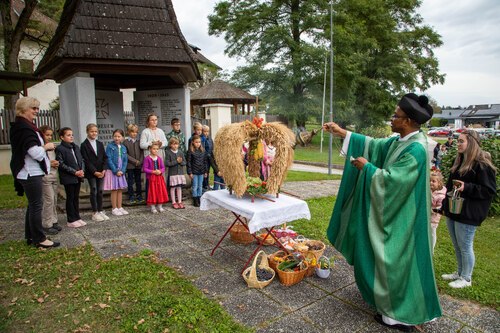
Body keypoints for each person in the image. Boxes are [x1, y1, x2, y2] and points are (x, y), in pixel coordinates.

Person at [323, 93, 441, 330]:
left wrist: (367, 168)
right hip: (396, 211)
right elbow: (374, 144)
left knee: (396, 259)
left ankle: (400, 313)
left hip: (403, 216)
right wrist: (341, 132)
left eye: (395, 116)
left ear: (407, 121)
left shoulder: (416, 149)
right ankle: (390, 306)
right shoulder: (401, 141)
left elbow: (393, 182)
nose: (391, 119)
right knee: (390, 260)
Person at [441, 130, 496, 288]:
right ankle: (459, 272)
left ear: (471, 143)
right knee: (457, 244)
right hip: (454, 209)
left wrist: (467, 187)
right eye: (457, 141)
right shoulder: (458, 161)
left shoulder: (483, 165)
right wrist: (445, 206)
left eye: (461, 141)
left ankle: (466, 278)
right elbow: (450, 186)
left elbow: (489, 190)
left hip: (469, 213)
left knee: (465, 245)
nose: (458, 144)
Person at [10, 97, 60, 248]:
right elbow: (35, 153)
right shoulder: (24, 128)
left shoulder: (24, 126)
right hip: (30, 173)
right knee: (37, 205)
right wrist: (47, 146)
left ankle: (31, 236)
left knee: (33, 205)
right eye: (33, 108)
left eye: (37, 108)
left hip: (30, 172)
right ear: (24, 109)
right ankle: (40, 239)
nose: (36, 111)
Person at [56, 127, 87, 228]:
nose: (71, 137)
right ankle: (71, 219)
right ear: (62, 137)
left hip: (78, 176)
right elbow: (61, 164)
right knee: (70, 197)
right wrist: (74, 172)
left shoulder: (75, 147)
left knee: (75, 198)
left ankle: (77, 217)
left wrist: (82, 170)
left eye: (72, 135)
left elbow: (81, 159)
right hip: (69, 177)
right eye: (68, 135)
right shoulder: (60, 149)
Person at [80, 123, 109, 222]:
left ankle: (100, 210)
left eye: (96, 131)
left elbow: (105, 157)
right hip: (91, 172)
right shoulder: (84, 145)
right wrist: (94, 171)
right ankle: (95, 211)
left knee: (100, 191)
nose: (94, 133)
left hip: (101, 171)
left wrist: (104, 169)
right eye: (92, 131)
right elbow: (86, 160)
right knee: (94, 190)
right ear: (87, 132)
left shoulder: (100, 144)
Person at [39, 125, 61, 235]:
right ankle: (46, 224)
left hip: (54, 175)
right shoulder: (41, 148)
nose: (49, 137)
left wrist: (56, 163)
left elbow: (55, 159)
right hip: (45, 177)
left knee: (55, 199)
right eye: (47, 135)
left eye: (51, 135)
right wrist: (49, 163)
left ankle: (54, 220)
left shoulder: (53, 147)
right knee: (49, 200)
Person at [104, 129, 129, 216]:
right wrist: (115, 170)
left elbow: (125, 160)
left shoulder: (123, 147)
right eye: (115, 136)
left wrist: (122, 170)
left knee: (120, 189)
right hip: (113, 170)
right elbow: (109, 159)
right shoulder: (110, 147)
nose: (117, 138)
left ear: (122, 137)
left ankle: (120, 206)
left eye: (119, 136)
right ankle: (114, 208)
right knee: (114, 189)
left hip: (121, 170)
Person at [143, 143, 169, 213]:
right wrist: (153, 171)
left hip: (159, 179)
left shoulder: (159, 158)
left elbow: (163, 168)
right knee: (152, 192)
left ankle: (160, 206)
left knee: (160, 191)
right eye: (154, 149)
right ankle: (153, 207)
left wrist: (160, 171)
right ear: (150, 149)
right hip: (151, 179)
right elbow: (145, 169)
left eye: (157, 149)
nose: (156, 150)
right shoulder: (147, 158)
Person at [123, 124, 144, 204]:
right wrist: (135, 161)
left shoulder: (139, 142)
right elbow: (125, 154)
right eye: (132, 132)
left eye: (136, 132)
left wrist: (140, 161)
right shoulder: (125, 142)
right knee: (130, 181)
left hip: (138, 165)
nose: (134, 134)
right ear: (128, 132)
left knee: (138, 180)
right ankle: (131, 195)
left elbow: (142, 153)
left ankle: (139, 195)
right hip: (130, 165)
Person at [186, 135, 209, 207]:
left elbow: (205, 161)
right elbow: (189, 162)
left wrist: (206, 171)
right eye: (196, 142)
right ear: (193, 142)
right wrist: (190, 172)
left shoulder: (203, 150)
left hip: (201, 171)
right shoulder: (190, 151)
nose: (198, 144)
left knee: (200, 185)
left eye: (199, 142)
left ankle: (199, 198)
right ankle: (195, 199)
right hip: (194, 171)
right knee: (195, 186)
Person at [165, 137, 187, 209]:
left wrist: (180, 162)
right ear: (170, 145)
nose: (175, 146)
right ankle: (174, 202)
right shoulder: (168, 152)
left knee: (179, 187)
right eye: (173, 144)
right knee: (173, 188)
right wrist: (176, 161)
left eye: (176, 144)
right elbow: (167, 163)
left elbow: (184, 162)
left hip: (180, 173)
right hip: (173, 174)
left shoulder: (180, 152)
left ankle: (180, 201)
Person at [430, 171, 447, 253]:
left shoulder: (441, 195)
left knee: (432, 232)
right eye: (430, 180)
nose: (431, 183)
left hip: (434, 218)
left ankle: (431, 249)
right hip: (427, 216)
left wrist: (434, 210)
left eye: (433, 181)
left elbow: (440, 206)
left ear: (439, 183)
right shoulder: (429, 191)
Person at [202, 125, 214, 190]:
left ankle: (208, 184)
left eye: (207, 131)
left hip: (210, 157)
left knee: (209, 171)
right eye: (205, 131)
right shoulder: (202, 139)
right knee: (205, 171)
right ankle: (205, 185)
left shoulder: (210, 139)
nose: (206, 133)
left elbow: (212, 147)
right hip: (204, 158)